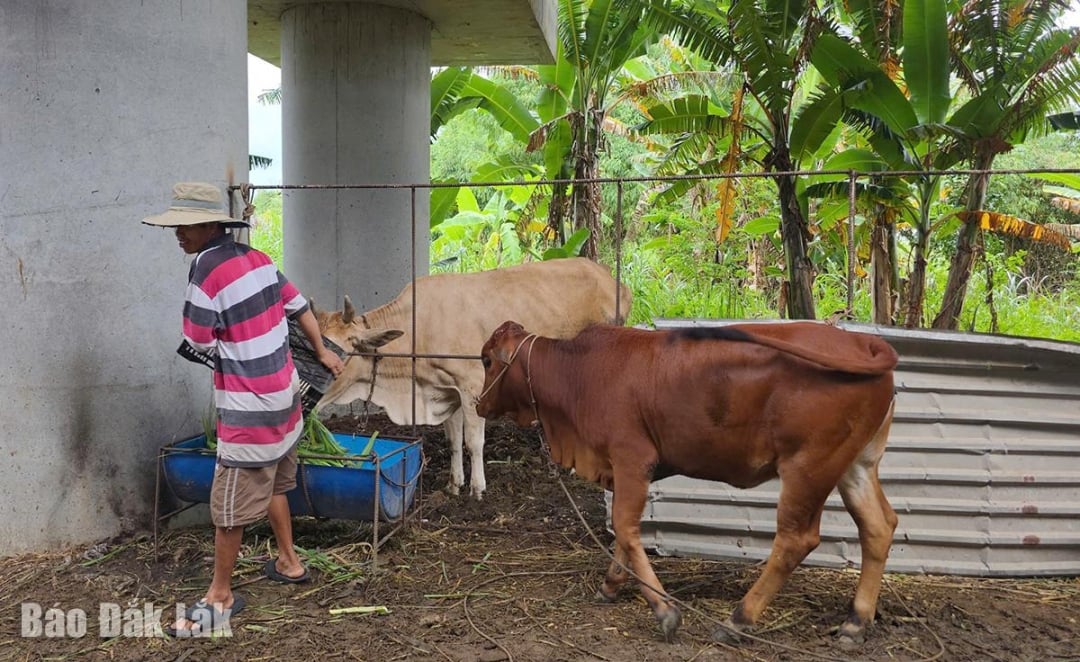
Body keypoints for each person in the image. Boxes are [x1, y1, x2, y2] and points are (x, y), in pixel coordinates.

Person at [143, 182, 345, 637]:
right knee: (272, 477)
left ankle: (220, 597)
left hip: (250, 411)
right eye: (175, 227)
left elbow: (196, 340)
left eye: (186, 227)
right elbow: (300, 307)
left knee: (228, 509)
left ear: (212, 224)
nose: (178, 235)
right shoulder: (260, 259)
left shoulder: (204, 272)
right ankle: (290, 562)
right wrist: (323, 352)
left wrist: (232, 356)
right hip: (287, 400)